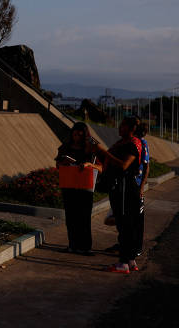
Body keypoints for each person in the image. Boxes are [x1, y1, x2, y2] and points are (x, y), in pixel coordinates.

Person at [55, 122, 104, 255]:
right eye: (75, 134)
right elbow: (58, 165)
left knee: (84, 218)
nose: (76, 137)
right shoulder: (64, 148)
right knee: (71, 217)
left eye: (80, 135)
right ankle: (72, 245)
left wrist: (90, 165)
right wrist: (62, 163)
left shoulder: (91, 149)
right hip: (69, 185)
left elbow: (101, 168)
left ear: (85, 136)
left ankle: (85, 247)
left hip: (85, 187)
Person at [103, 116, 142, 274]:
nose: (119, 128)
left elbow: (124, 165)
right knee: (125, 225)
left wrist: (103, 152)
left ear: (131, 128)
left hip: (125, 188)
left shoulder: (132, 144)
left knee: (125, 225)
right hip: (120, 188)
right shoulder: (123, 143)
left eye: (123, 126)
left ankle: (123, 263)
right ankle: (131, 260)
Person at [134, 120, 150, 255]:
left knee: (137, 219)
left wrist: (141, 186)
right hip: (131, 185)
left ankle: (137, 248)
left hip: (137, 185)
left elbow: (146, 167)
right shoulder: (135, 142)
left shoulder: (142, 144)